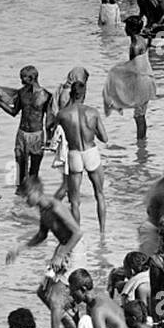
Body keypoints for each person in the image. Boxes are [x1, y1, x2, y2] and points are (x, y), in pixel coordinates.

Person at [51, 78, 111, 234]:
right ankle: (102, 232)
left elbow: (53, 132)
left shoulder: (63, 114)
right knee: (99, 194)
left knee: (74, 202)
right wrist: (92, 131)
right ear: (84, 94)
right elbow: (104, 138)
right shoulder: (93, 112)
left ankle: (77, 234)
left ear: (71, 94)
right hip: (90, 152)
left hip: (74, 154)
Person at [0, 65, 55, 185]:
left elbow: (49, 120)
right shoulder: (21, 93)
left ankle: (30, 198)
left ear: (32, 78)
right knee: (20, 171)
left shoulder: (46, 96)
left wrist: (50, 139)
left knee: (34, 172)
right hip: (21, 134)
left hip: (37, 135)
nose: (21, 81)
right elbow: (14, 112)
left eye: (23, 78)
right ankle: (19, 197)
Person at [5, 175, 83, 274]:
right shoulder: (43, 210)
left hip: (74, 247)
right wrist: (20, 248)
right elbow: (41, 235)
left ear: (37, 192)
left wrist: (60, 255)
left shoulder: (55, 207)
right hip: (63, 248)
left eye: (27, 195)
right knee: (46, 285)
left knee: (65, 285)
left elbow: (78, 233)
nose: (25, 200)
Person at [103, 16, 158, 146]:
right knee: (141, 115)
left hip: (141, 82)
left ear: (131, 29)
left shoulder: (134, 46)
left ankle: (141, 145)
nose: (124, 29)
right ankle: (142, 143)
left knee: (139, 117)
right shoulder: (140, 39)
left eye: (126, 26)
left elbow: (133, 69)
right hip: (147, 79)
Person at [67, 269, 132, 328]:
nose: (70, 294)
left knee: (85, 320)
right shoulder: (98, 298)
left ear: (83, 289)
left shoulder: (97, 309)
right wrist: (75, 318)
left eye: (73, 290)